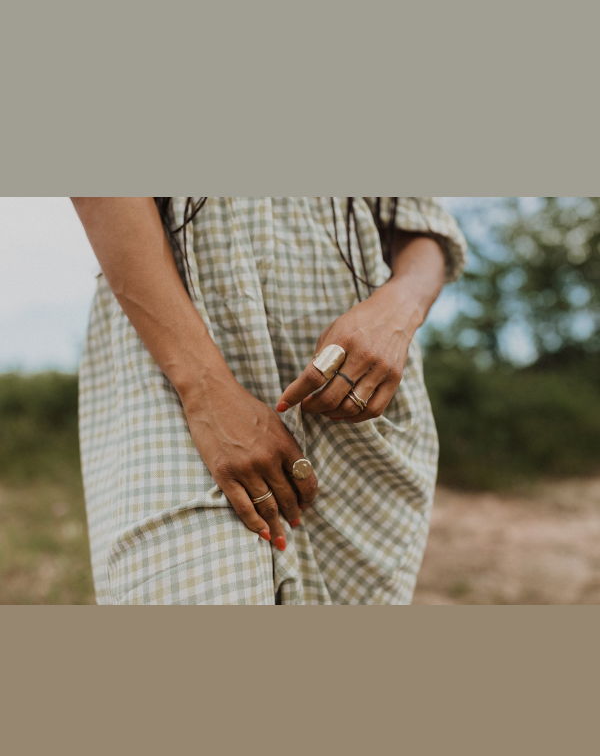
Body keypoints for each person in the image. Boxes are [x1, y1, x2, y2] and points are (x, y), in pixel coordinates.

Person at [73, 197, 467, 604]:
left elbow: (424, 228)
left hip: (354, 402)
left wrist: (397, 312)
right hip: (169, 359)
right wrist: (205, 391)